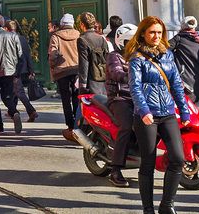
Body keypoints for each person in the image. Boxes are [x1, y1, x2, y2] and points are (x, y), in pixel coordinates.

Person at [127, 16, 190, 214]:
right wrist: (144, 111)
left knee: (178, 158)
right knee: (148, 161)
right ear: (143, 33)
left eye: (159, 33)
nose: (156, 36)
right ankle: (148, 208)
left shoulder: (167, 55)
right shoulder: (137, 58)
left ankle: (167, 204)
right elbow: (135, 87)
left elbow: (177, 84)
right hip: (147, 116)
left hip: (168, 113)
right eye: (152, 32)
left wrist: (184, 109)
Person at [106, 23, 138, 188]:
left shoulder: (140, 55)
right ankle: (115, 170)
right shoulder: (114, 56)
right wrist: (128, 77)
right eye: (130, 41)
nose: (134, 44)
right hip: (120, 98)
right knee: (126, 126)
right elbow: (116, 72)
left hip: (139, 97)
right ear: (122, 42)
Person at [49, 13, 80, 142]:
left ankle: (70, 125)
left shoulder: (56, 36)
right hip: (77, 70)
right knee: (76, 98)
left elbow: (52, 54)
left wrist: (53, 66)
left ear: (62, 24)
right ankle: (78, 124)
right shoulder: (79, 35)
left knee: (66, 99)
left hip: (62, 72)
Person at [8, 20, 38, 122]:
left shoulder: (9, 39)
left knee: (19, 91)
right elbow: (27, 55)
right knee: (14, 90)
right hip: (23, 68)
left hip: (13, 69)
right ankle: (12, 111)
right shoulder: (22, 38)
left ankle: (31, 111)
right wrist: (31, 70)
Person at [172, 15, 199, 102]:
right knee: (192, 104)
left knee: (184, 105)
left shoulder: (178, 39)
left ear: (182, 26)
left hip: (183, 79)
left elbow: (164, 50)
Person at [77, 12, 110, 97]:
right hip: (103, 78)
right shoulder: (102, 39)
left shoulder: (82, 40)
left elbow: (84, 63)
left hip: (91, 79)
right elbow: (107, 59)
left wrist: (82, 84)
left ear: (82, 24)